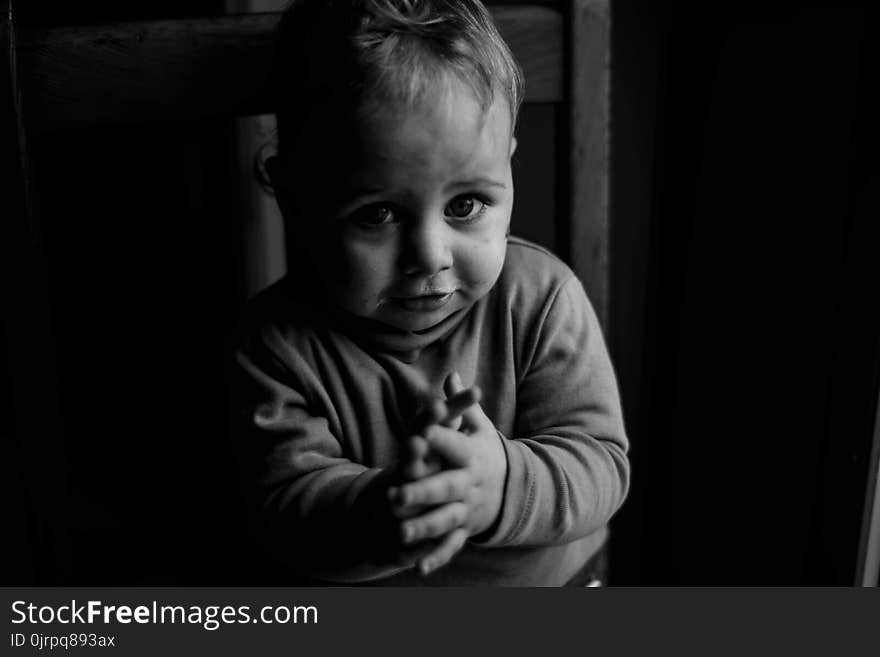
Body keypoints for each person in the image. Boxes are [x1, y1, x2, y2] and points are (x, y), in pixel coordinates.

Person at [231, 0, 629, 586]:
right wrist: (392, 509)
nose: (430, 255)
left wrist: (499, 487)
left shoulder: (541, 300)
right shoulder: (276, 347)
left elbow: (601, 465)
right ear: (295, 203)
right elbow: (284, 511)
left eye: (466, 205)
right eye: (379, 214)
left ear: (507, 170)